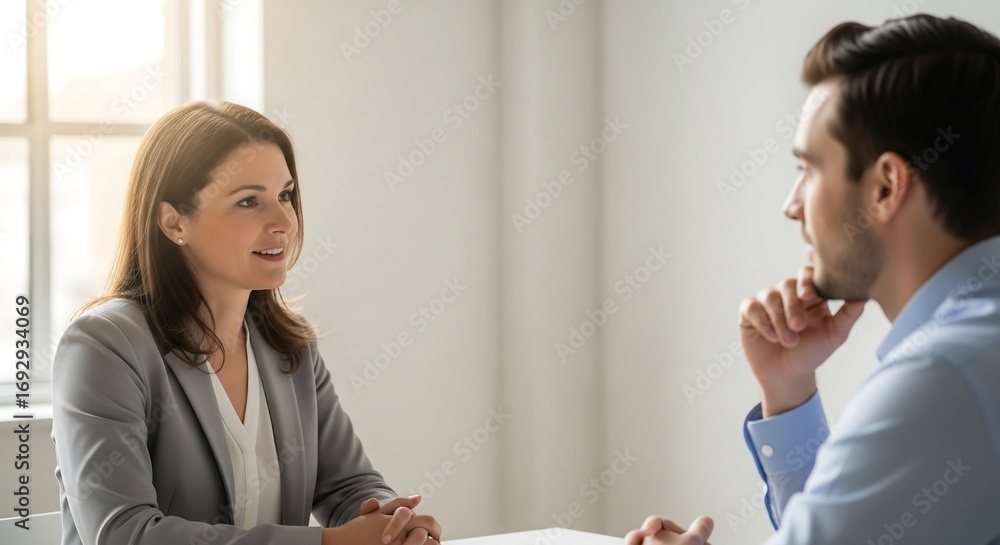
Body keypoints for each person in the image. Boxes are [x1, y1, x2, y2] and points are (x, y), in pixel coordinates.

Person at [625, 13, 1000, 545]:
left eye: (808, 169)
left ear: (886, 187)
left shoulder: (944, 378)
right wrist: (788, 386)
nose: (791, 205)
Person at [51, 102, 441, 545]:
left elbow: (348, 486)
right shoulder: (104, 346)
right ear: (174, 222)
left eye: (286, 195)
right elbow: (125, 534)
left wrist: (392, 524)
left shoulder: (289, 346)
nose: (284, 222)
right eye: (249, 202)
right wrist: (330, 543)